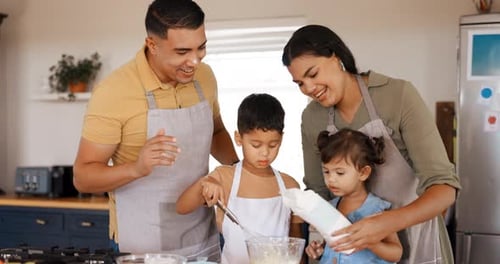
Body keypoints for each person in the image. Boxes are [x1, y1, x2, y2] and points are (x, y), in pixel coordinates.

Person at [72, 0, 239, 261]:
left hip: (201, 238)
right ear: (152, 44)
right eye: (182, 51)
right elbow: (83, 177)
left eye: (201, 47)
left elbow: (216, 133)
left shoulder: (204, 77)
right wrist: (136, 168)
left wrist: (239, 173)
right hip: (142, 247)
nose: (194, 61)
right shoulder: (115, 91)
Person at [282, 24, 460, 264]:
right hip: (354, 253)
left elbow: (444, 189)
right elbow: (320, 195)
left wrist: (386, 223)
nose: (309, 89)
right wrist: (323, 241)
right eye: (300, 83)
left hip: (419, 244)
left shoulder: (397, 96)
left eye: (313, 74)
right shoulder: (313, 118)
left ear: (335, 57)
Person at [176, 93, 304, 264]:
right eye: (256, 145)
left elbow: (294, 237)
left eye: (273, 145)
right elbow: (182, 207)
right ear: (238, 138)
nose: (265, 152)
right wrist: (203, 184)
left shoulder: (290, 185)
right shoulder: (224, 177)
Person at [305, 128, 402, 263]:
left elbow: (396, 253)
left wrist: (371, 242)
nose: (331, 179)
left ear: (363, 173)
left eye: (339, 173)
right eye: (326, 171)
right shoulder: (329, 208)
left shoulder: (378, 210)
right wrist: (321, 251)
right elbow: (334, 246)